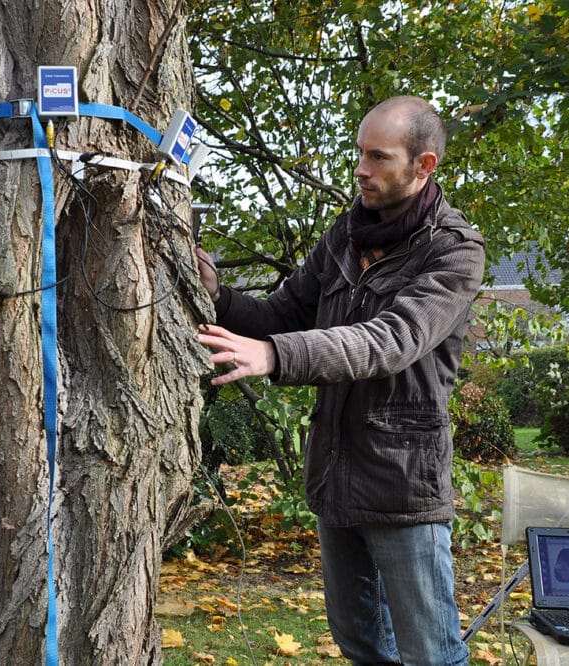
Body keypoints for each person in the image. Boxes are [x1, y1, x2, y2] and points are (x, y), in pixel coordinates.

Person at [195, 96, 485, 665]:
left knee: (431, 653)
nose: (361, 169)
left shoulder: (454, 250)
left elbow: (391, 339)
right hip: (335, 477)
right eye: (360, 153)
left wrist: (277, 356)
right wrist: (220, 297)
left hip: (403, 485)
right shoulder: (343, 237)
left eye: (379, 157)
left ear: (423, 165)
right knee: (361, 644)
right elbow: (283, 314)